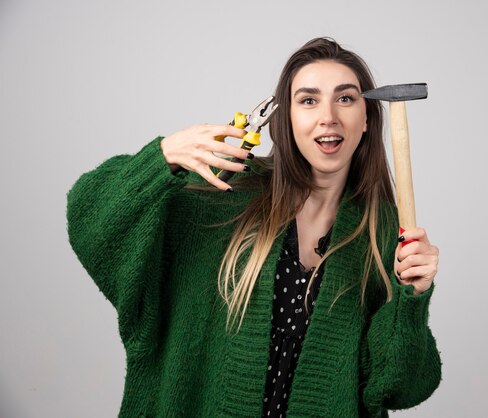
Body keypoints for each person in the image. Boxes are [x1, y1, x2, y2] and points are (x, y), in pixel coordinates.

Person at [66, 37, 442, 418]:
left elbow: (400, 387)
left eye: (345, 98)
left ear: (366, 119)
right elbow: (91, 216)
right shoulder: (225, 192)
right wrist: (163, 157)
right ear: (286, 118)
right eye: (308, 100)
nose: (328, 116)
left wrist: (412, 299)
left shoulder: (385, 234)